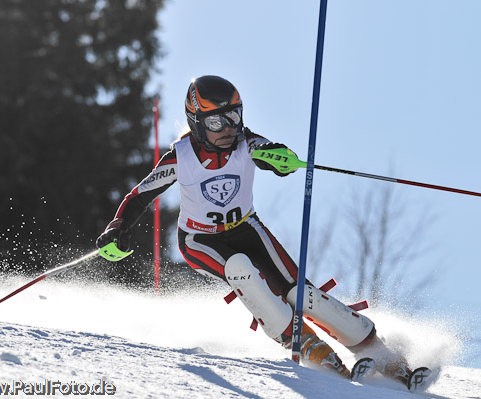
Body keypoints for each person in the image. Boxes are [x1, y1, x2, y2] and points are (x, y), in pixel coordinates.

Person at [96, 75, 414, 383]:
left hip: (247, 228)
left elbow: (273, 154)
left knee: (301, 295)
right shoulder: (180, 159)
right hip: (200, 239)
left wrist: (281, 159)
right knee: (241, 269)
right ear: (196, 121)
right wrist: (117, 228)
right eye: (216, 122)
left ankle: (375, 349)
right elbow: (139, 196)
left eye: (234, 116)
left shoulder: (246, 143)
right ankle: (302, 341)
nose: (228, 128)